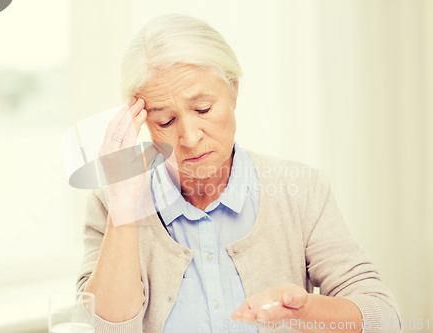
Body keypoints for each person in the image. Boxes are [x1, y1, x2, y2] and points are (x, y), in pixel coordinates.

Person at [76, 13, 401, 333]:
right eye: (166, 121)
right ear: (142, 122)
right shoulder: (110, 203)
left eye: (203, 109)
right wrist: (123, 207)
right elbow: (99, 329)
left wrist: (305, 311)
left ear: (233, 91)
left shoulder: (301, 190)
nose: (189, 137)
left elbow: (385, 318)